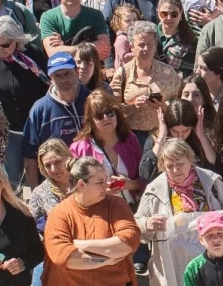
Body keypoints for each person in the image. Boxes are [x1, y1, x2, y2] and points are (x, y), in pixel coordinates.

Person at [135, 139, 223, 282]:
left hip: (212, 266)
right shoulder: (154, 191)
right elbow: (136, 224)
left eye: (180, 164)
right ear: (162, 166)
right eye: (169, 166)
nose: (175, 170)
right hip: (175, 267)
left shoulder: (210, 181)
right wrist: (147, 224)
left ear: (190, 160)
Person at [42, 156, 141, 285]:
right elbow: (64, 257)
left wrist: (82, 245)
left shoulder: (117, 205)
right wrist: (106, 261)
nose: (106, 186)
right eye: (100, 182)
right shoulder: (60, 213)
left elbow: (128, 242)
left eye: (106, 180)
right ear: (81, 184)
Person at [0, 16, 50, 187]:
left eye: (5, 45)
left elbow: (49, 84)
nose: (0, 50)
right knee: (11, 178)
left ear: (16, 40)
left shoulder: (33, 55)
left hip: (37, 127)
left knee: (43, 173)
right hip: (10, 130)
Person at [22, 52, 90, 187]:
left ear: (77, 72)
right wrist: (35, 191)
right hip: (56, 184)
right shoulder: (40, 109)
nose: (64, 79)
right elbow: (30, 154)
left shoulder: (92, 100)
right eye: (58, 76)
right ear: (51, 78)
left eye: (67, 73)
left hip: (91, 179)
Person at [69, 90, 143, 202]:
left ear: (117, 113)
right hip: (98, 211)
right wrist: (102, 191)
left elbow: (143, 180)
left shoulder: (129, 139)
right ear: (91, 120)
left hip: (132, 207)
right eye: (99, 115)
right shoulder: (79, 148)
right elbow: (74, 190)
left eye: (109, 112)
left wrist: (129, 184)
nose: (106, 118)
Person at [141, 97, 219, 181]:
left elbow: (217, 169)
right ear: (168, 127)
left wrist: (202, 136)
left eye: (185, 130)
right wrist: (162, 136)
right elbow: (146, 174)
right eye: (175, 131)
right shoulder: (155, 140)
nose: (180, 136)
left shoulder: (199, 139)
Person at [28, 138, 73, 236]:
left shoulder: (84, 182)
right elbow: (30, 226)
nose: (53, 169)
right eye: (48, 165)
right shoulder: (40, 192)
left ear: (68, 157)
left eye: (57, 162)